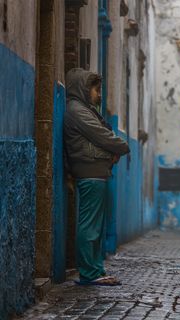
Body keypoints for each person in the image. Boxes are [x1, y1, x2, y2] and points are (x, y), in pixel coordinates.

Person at [64, 68, 130, 286]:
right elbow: (104, 137)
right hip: (90, 173)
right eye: (96, 89)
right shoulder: (77, 110)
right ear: (84, 89)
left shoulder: (85, 110)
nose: (99, 94)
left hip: (96, 172)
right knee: (89, 226)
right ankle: (89, 273)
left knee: (95, 226)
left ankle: (95, 270)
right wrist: (120, 147)